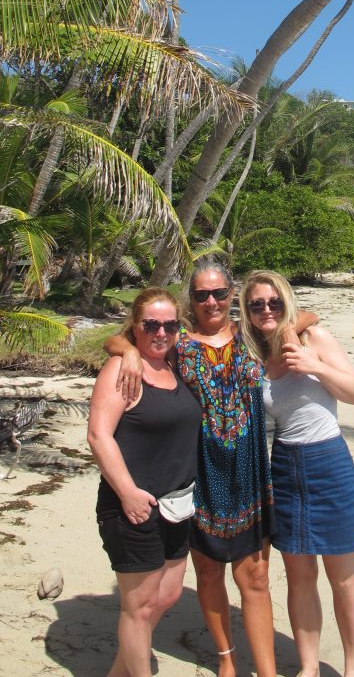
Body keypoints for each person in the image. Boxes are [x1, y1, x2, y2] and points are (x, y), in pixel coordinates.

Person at [105, 257, 316, 677]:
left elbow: (304, 313)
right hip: (199, 473)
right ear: (191, 299)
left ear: (231, 294)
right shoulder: (177, 339)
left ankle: (268, 672)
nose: (211, 301)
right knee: (207, 572)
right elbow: (117, 338)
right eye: (201, 294)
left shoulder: (253, 334)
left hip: (250, 472)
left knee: (255, 578)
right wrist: (128, 350)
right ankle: (227, 659)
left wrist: (292, 326)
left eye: (219, 292)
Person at [240, 270, 354, 677]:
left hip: (329, 461)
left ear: (286, 302)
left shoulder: (315, 338)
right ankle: (309, 667)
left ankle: (352, 668)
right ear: (246, 310)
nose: (266, 309)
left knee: (343, 576)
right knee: (299, 576)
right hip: (284, 465)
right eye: (257, 303)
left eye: (274, 302)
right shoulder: (253, 354)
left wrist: (317, 367)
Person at [87, 288, 201, 677]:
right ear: (135, 326)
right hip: (132, 506)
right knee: (138, 607)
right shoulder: (122, 369)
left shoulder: (175, 364)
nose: (160, 332)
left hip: (177, 504)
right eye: (151, 324)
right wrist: (128, 492)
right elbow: (99, 437)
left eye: (169, 324)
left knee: (166, 595)